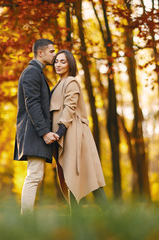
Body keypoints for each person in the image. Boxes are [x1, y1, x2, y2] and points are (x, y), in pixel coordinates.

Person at [50, 49, 107, 212]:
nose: (58, 64)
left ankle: (110, 215)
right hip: (65, 136)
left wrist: (60, 132)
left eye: (63, 61)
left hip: (74, 134)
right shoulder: (58, 84)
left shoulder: (71, 81)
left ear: (70, 64)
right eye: (56, 61)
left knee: (89, 177)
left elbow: (70, 107)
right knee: (71, 178)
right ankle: (76, 221)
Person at [14, 39, 59, 214]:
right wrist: (44, 132)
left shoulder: (36, 72)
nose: (54, 55)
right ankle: (26, 220)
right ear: (40, 53)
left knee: (35, 175)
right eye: (51, 51)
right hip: (34, 132)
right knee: (34, 176)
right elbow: (32, 104)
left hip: (34, 131)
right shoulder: (32, 72)